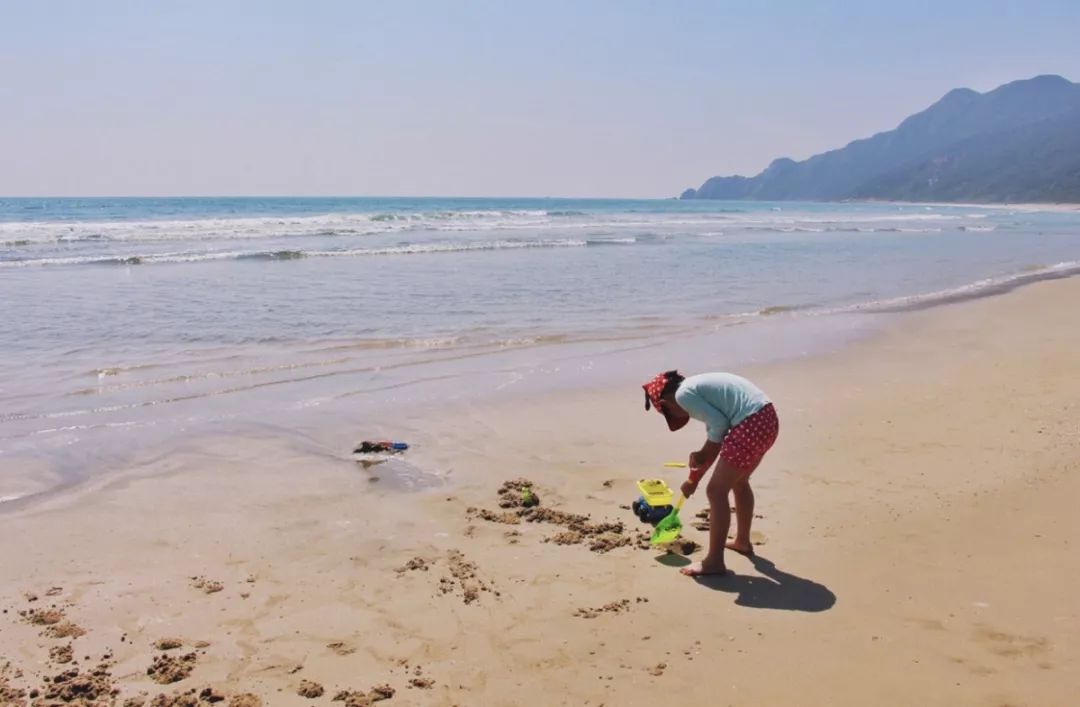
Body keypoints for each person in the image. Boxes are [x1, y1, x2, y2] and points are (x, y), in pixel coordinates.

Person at [642, 370, 779, 577]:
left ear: (666, 402)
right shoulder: (699, 390)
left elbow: (719, 429)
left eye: (669, 413)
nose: (677, 415)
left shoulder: (683, 395)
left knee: (716, 491)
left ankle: (714, 561)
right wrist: (694, 478)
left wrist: (702, 454)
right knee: (739, 482)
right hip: (766, 419)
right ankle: (742, 541)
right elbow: (716, 437)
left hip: (750, 424)